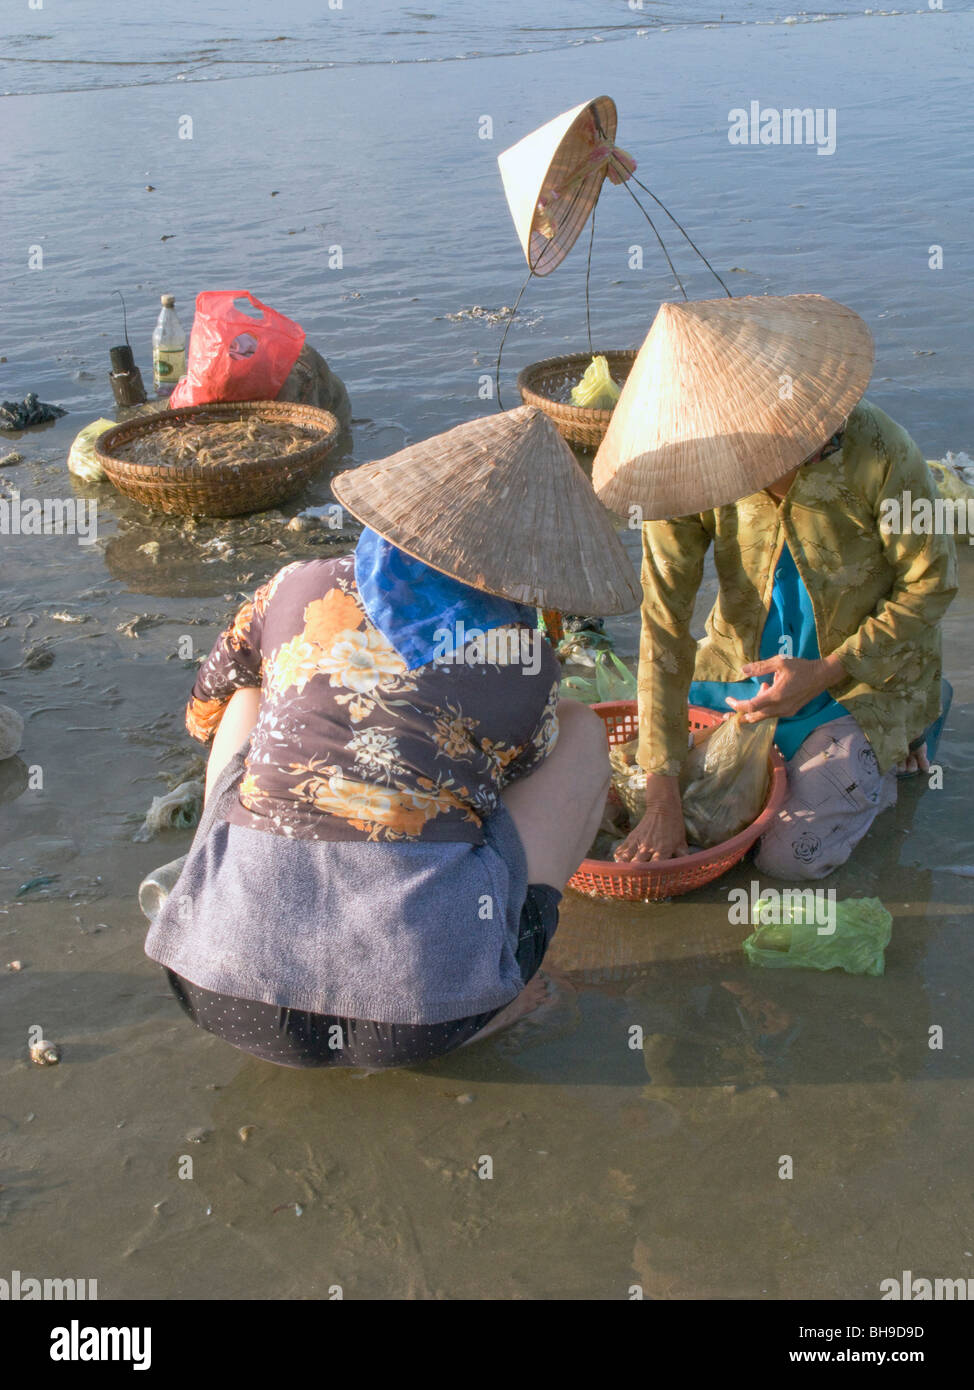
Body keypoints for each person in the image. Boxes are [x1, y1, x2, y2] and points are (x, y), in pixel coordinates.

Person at [142, 406, 640, 1068]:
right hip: (426, 1017)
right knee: (579, 733)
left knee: (252, 689)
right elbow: (510, 784)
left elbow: (206, 707)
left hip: (214, 984)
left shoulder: (297, 583)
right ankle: (502, 990)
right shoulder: (523, 659)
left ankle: (221, 883)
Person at [592, 294, 958, 878]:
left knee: (787, 858)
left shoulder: (879, 450)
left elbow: (931, 584)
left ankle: (916, 717)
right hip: (741, 670)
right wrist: (660, 791)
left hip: (860, 676)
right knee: (624, 796)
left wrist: (829, 669)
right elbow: (663, 623)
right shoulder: (687, 472)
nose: (822, 440)